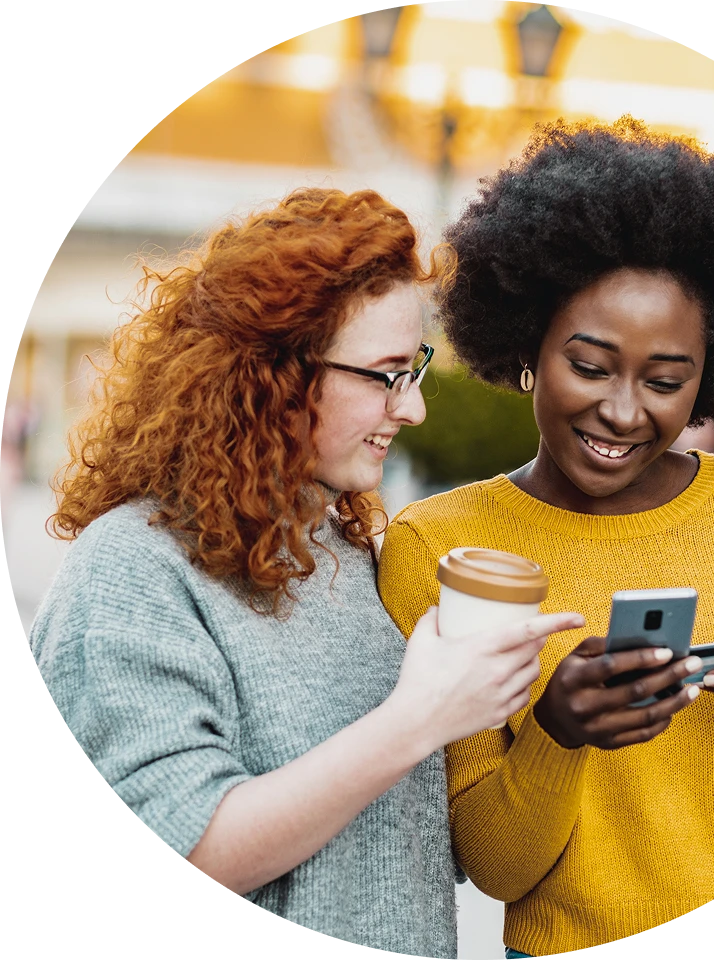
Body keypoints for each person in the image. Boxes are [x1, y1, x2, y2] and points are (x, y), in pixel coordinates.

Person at [28, 187, 585, 960]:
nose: (414, 408)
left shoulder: (346, 553)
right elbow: (189, 844)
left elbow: (406, 850)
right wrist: (418, 718)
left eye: (414, 368)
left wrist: (549, 718)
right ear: (272, 375)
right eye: (386, 374)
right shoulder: (134, 570)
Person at [377, 118, 714, 956]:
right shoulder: (441, 545)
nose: (622, 410)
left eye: (665, 380)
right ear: (528, 346)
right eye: (590, 364)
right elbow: (493, 869)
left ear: (709, 380)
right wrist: (557, 732)